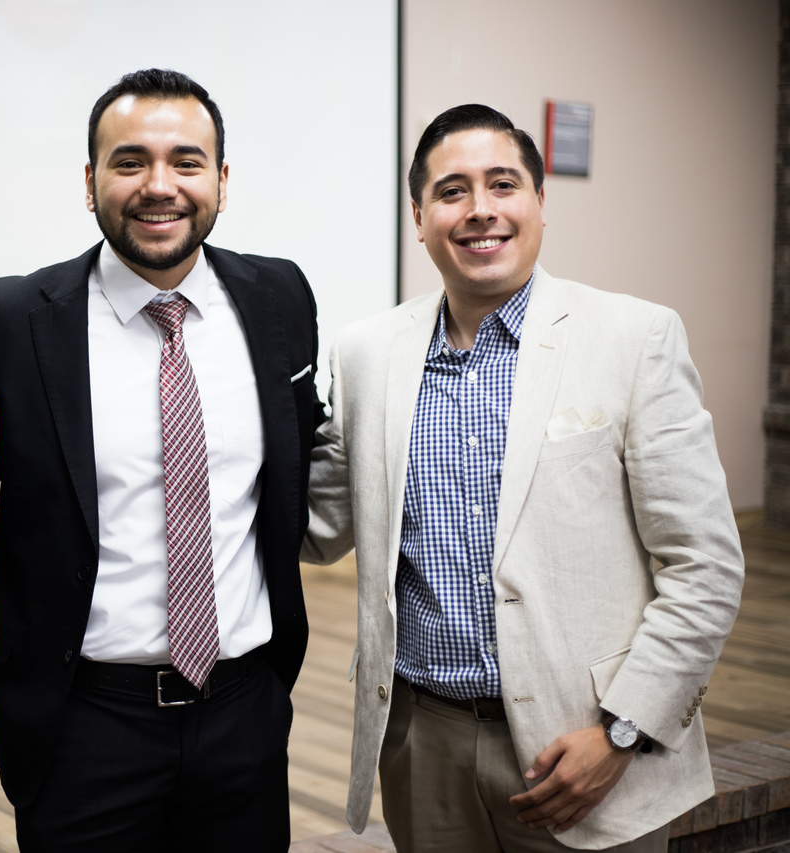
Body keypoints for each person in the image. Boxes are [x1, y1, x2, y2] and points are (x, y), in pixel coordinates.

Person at [302, 103, 744, 852]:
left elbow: (705, 565)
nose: (480, 211)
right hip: (423, 745)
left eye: (502, 185)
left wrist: (623, 729)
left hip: (588, 750)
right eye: (451, 191)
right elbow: (320, 528)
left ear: (540, 201)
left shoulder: (634, 338)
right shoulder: (367, 351)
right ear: (419, 216)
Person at [0, 68, 324, 852]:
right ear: (89, 183)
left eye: (187, 162)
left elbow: (298, 459)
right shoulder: (14, 318)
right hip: (85, 722)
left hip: (243, 714)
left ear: (221, 182)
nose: (159, 185)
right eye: (129, 163)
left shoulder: (279, 297)